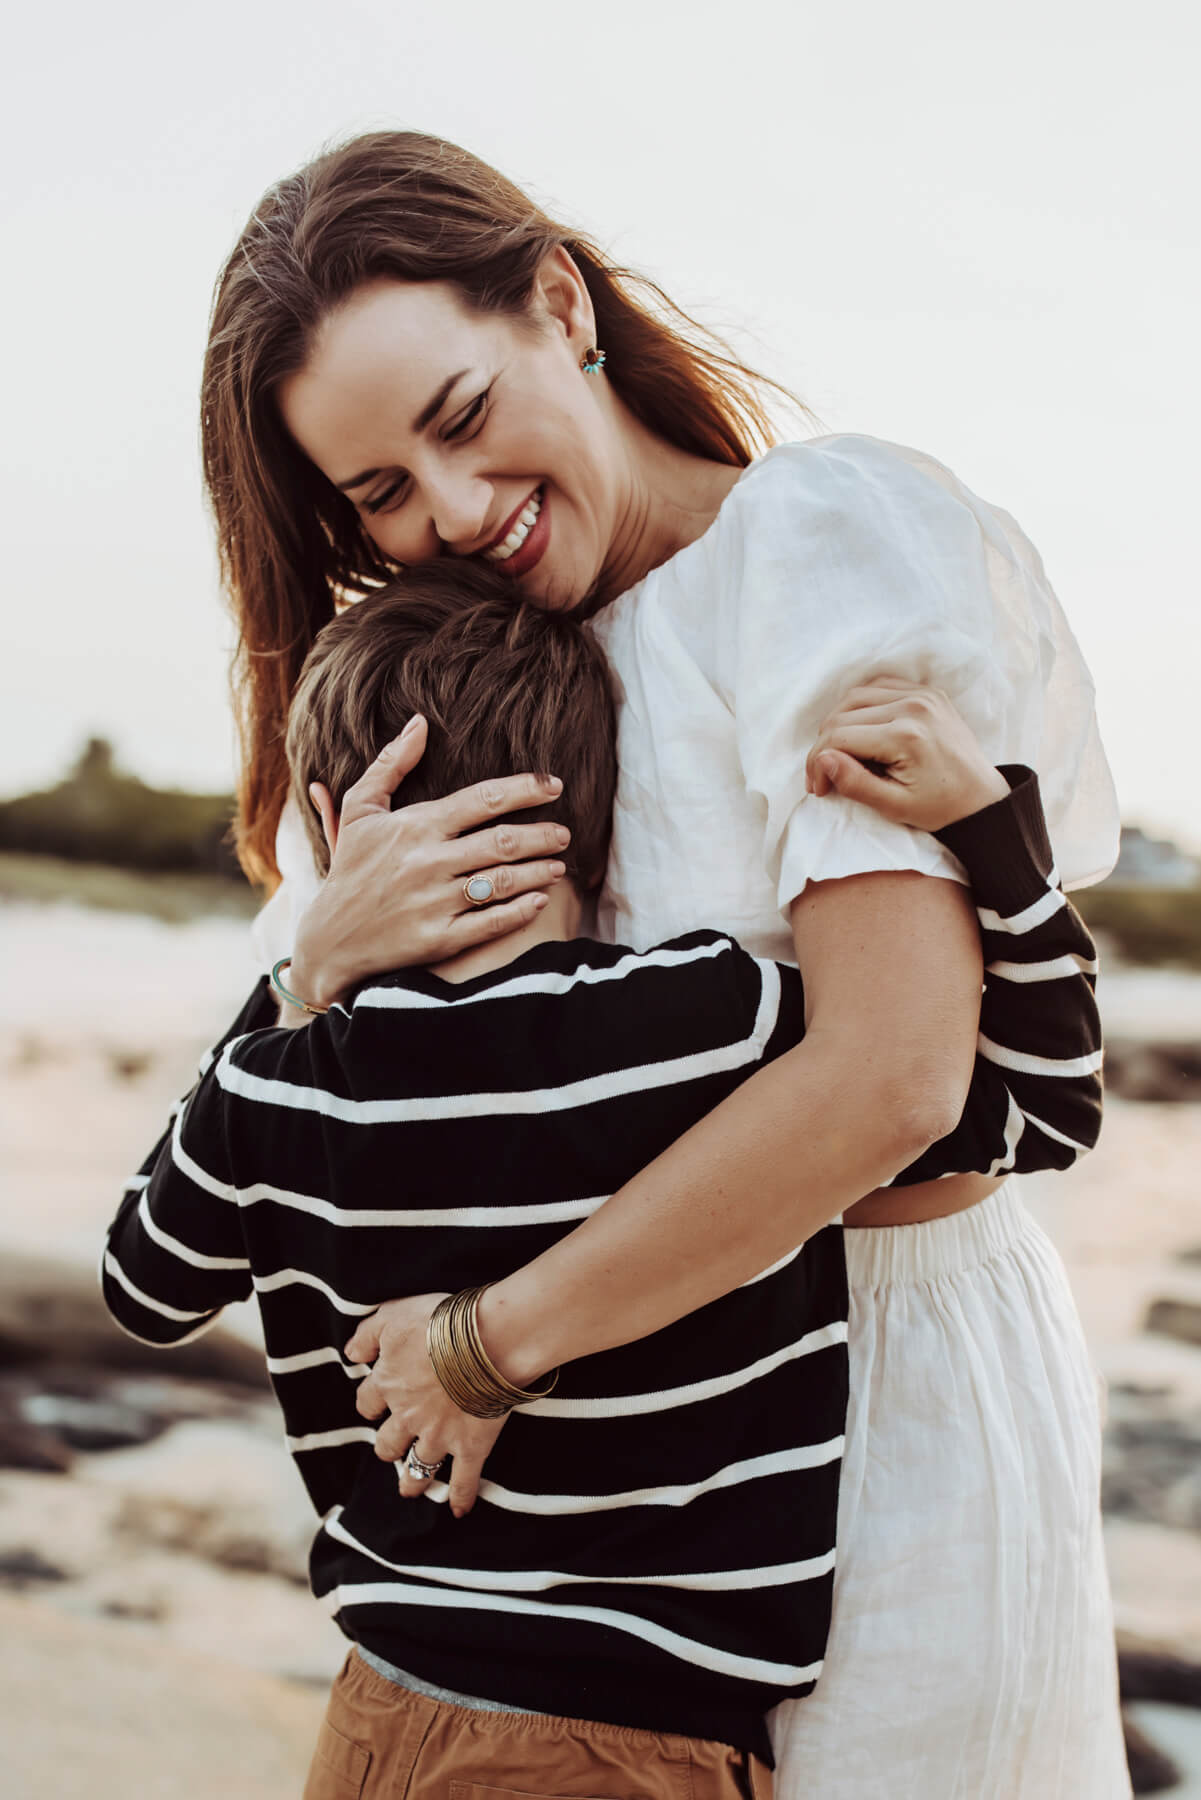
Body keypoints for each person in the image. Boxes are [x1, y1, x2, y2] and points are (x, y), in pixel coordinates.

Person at [188, 131, 1130, 1794]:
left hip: (864, 1416)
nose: (454, 512)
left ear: (560, 301)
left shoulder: (811, 545)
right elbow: (320, 1100)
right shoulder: (456, 668)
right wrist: (316, 956)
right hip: (563, 1513)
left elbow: (898, 1074)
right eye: (380, 495)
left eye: (463, 420)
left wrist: (487, 1343)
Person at [105, 564, 1106, 1797]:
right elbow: (1041, 1110)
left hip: (375, 1705)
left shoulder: (276, 1085)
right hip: (625, 1746)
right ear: (596, 809)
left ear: (329, 833)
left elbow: (142, 1288)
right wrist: (992, 841)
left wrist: (300, 978)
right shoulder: (710, 1027)